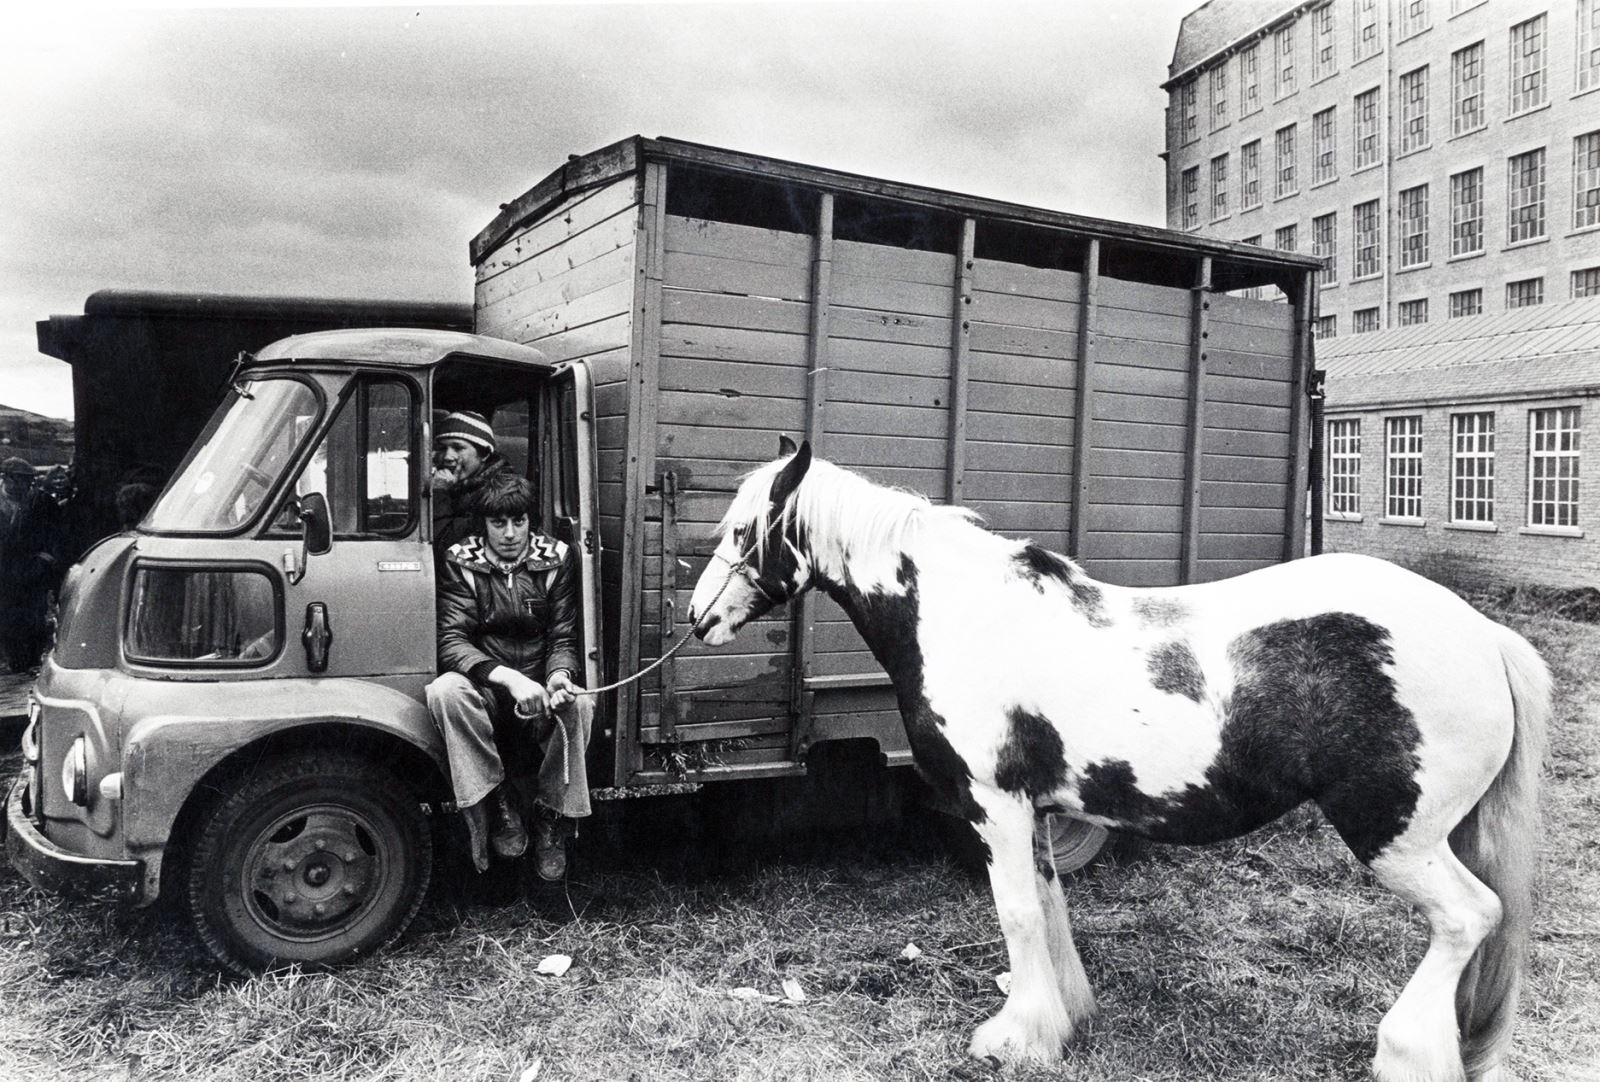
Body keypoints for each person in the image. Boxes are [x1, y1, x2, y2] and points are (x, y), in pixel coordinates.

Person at [425, 471, 590, 880]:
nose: (511, 533)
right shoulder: (460, 560)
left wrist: (558, 677)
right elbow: (451, 640)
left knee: (581, 702)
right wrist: (510, 680)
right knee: (446, 691)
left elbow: (565, 635)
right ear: (483, 524)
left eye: (519, 521)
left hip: (540, 683)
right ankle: (497, 801)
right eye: (499, 523)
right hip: (489, 687)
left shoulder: (556, 557)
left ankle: (551, 816)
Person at [432, 410, 513, 555]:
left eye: (458, 448)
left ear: (484, 454)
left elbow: (444, 548)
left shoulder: (497, 493)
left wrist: (440, 492)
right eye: (443, 448)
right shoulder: (464, 485)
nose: (447, 457)